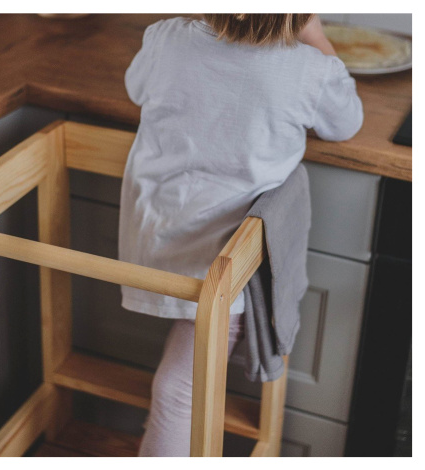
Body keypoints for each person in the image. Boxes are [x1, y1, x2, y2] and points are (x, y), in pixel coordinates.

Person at [118, 14, 363, 457]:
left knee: (182, 370)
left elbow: (136, 88)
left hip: (157, 235)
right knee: (179, 390)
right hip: (224, 261)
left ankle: (161, 438)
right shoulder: (309, 69)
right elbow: (347, 123)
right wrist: (316, 36)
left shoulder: (166, 38)